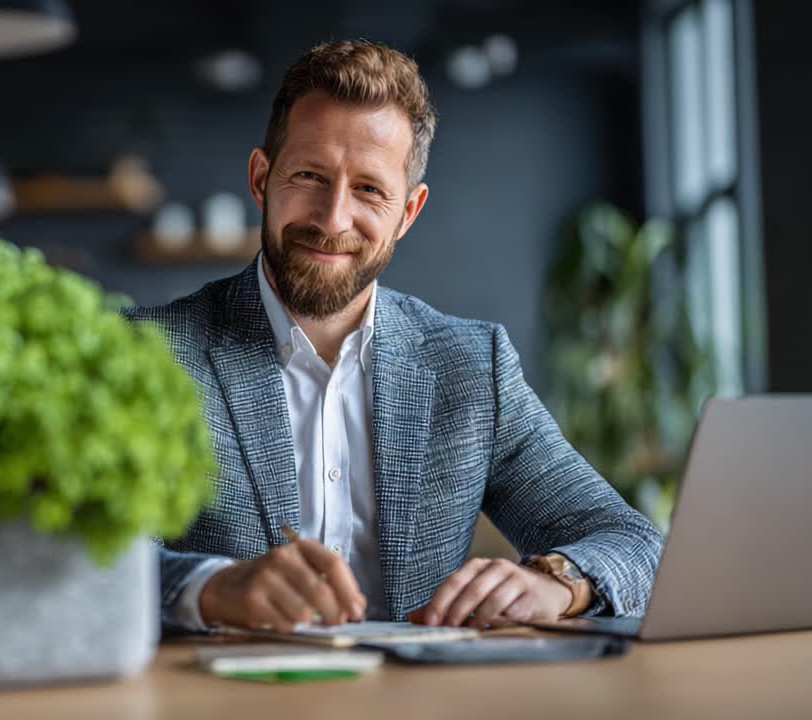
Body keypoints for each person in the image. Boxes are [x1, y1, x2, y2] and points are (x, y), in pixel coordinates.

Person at [125, 39, 663, 632]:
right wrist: (210, 589)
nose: (333, 220)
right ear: (261, 178)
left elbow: (636, 543)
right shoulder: (147, 354)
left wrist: (557, 583)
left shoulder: (471, 366)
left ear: (408, 212)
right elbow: (77, 559)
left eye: (369, 190)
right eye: (308, 175)